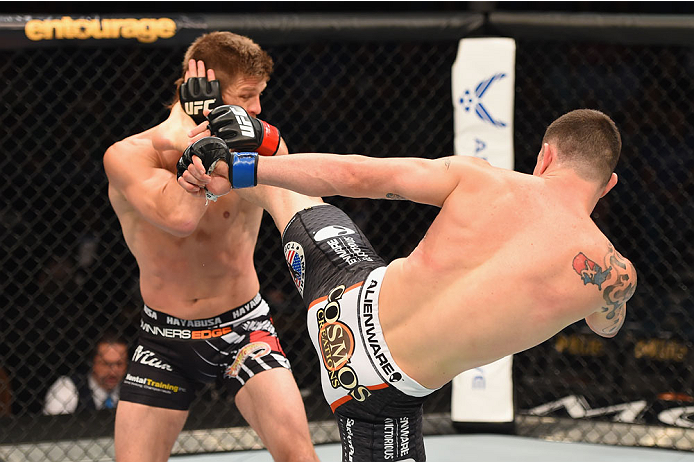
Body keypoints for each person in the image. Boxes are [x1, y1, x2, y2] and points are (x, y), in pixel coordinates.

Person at [179, 107, 637, 461]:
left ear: (545, 156)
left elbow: (355, 175)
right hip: (376, 392)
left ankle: (234, 155)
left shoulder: (479, 177)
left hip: (342, 292)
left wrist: (241, 170)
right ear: (611, 184)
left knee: (293, 200)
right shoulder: (613, 272)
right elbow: (605, 328)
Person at [103, 32, 319, 462]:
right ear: (203, 87)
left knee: (299, 457)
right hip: (164, 339)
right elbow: (179, 217)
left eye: (260, 96)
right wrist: (195, 139)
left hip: (244, 330)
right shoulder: (128, 156)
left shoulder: (255, 143)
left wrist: (251, 143)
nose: (256, 109)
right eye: (247, 96)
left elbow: (292, 191)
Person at [44, 331, 128, 415]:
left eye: (119, 364)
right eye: (105, 364)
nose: (113, 373)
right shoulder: (68, 388)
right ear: (92, 363)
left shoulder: (131, 388)